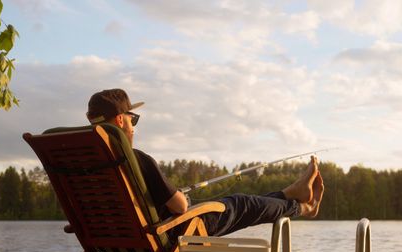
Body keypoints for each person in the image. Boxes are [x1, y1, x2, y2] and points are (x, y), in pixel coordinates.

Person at [86, 88, 324, 238]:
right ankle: (303, 207)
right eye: (132, 119)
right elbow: (179, 207)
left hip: (116, 240)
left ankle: (288, 193)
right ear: (120, 120)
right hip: (171, 232)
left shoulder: (87, 166)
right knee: (242, 203)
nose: (134, 126)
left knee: (239, 203)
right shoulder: (134, 159)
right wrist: (182, 196)